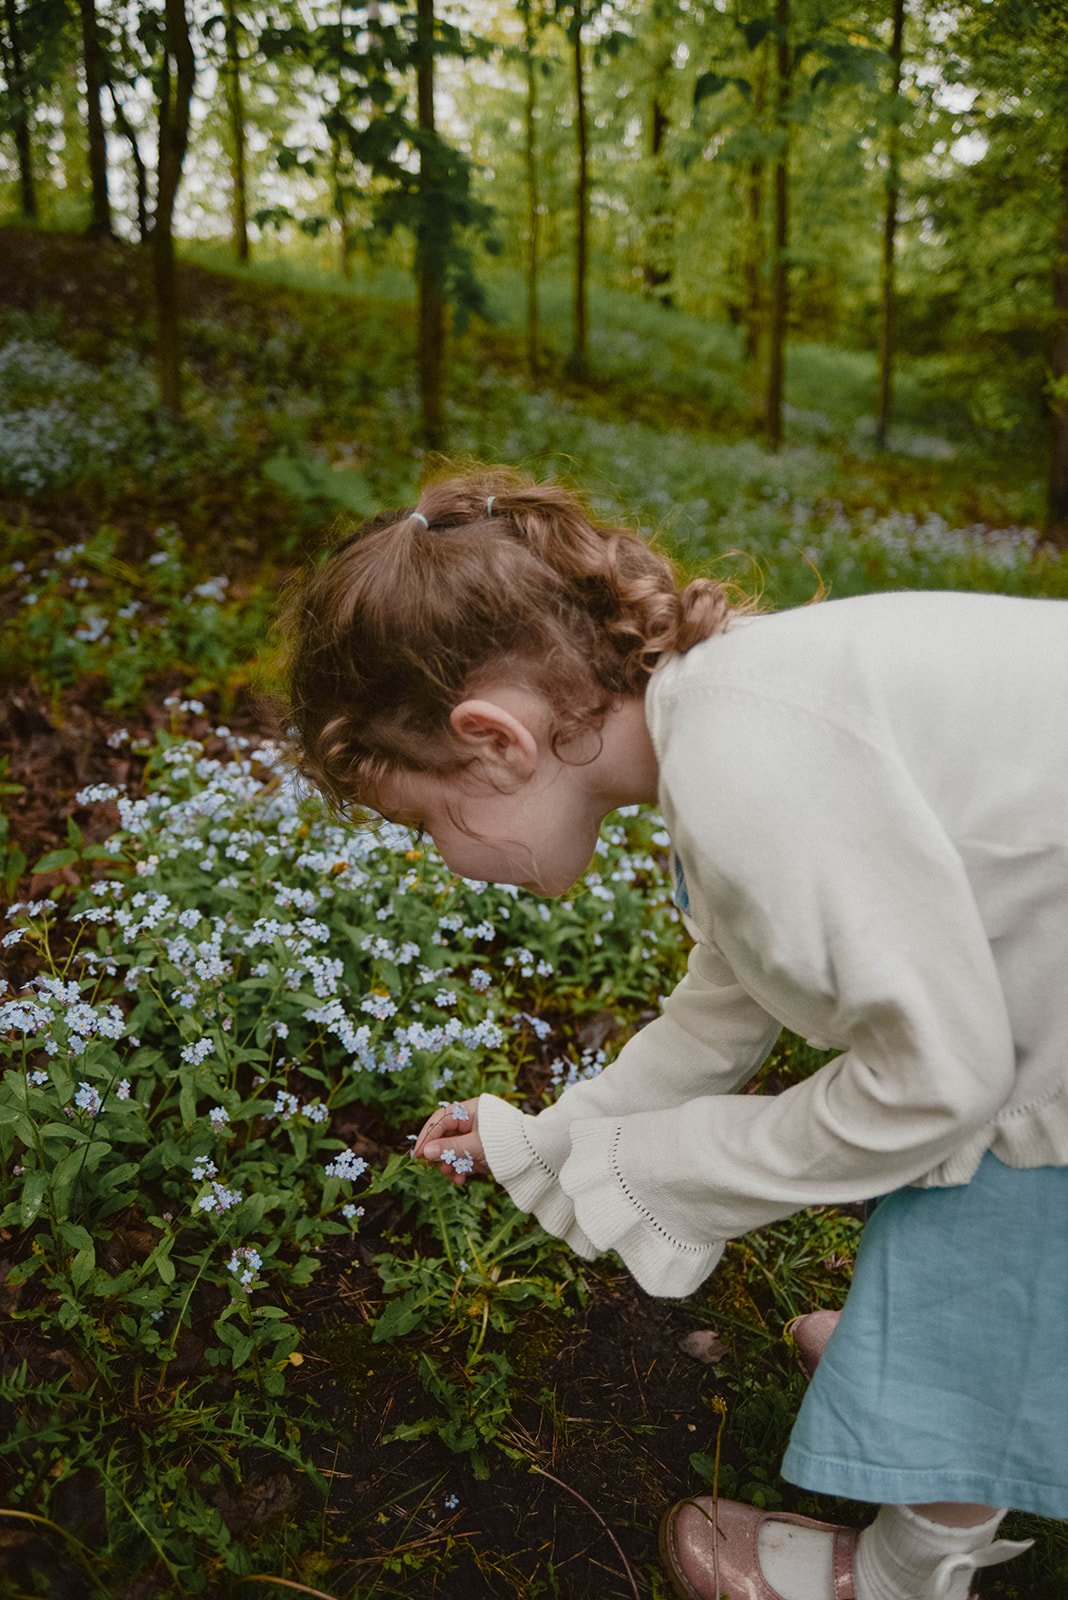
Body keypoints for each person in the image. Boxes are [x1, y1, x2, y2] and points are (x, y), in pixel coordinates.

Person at [281, 467, 1068, 1600]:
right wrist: (561, 1137)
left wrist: (669, 1166)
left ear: (496, 741)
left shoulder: (750, 771)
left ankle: (905, 1561)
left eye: (423, 821)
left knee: (990, 1208)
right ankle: (925, 1348)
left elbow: (936, 1084)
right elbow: (722, 1007)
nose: (445, 860)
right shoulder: (725, 715)